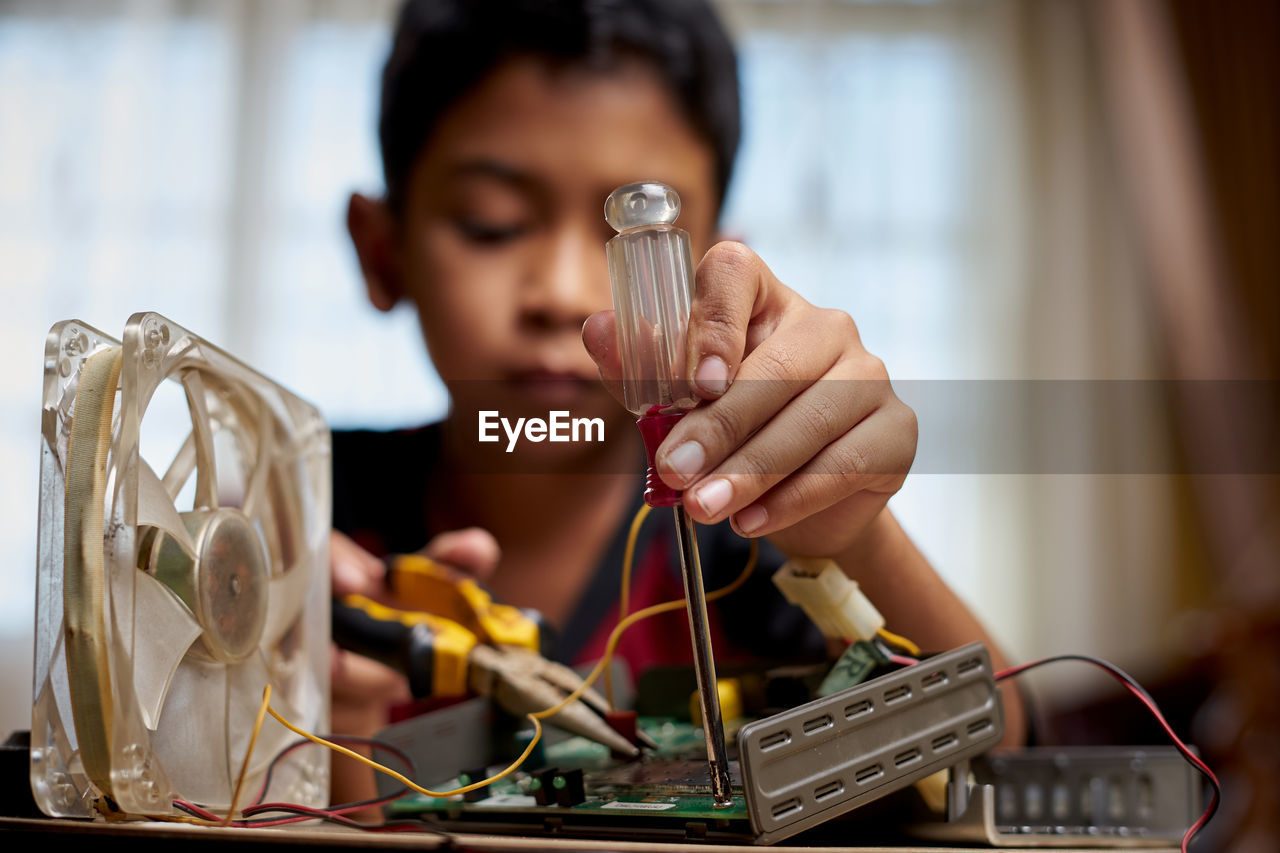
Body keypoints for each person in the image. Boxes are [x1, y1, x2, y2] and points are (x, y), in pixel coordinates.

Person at [327, 0, 1026, 805]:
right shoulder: (301, 520)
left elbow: (1009, 748)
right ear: (383, 252)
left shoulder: (756, 547)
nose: (561, 292)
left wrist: (861, 537)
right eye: (494, 224)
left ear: (710, 272)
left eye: (625, 247)